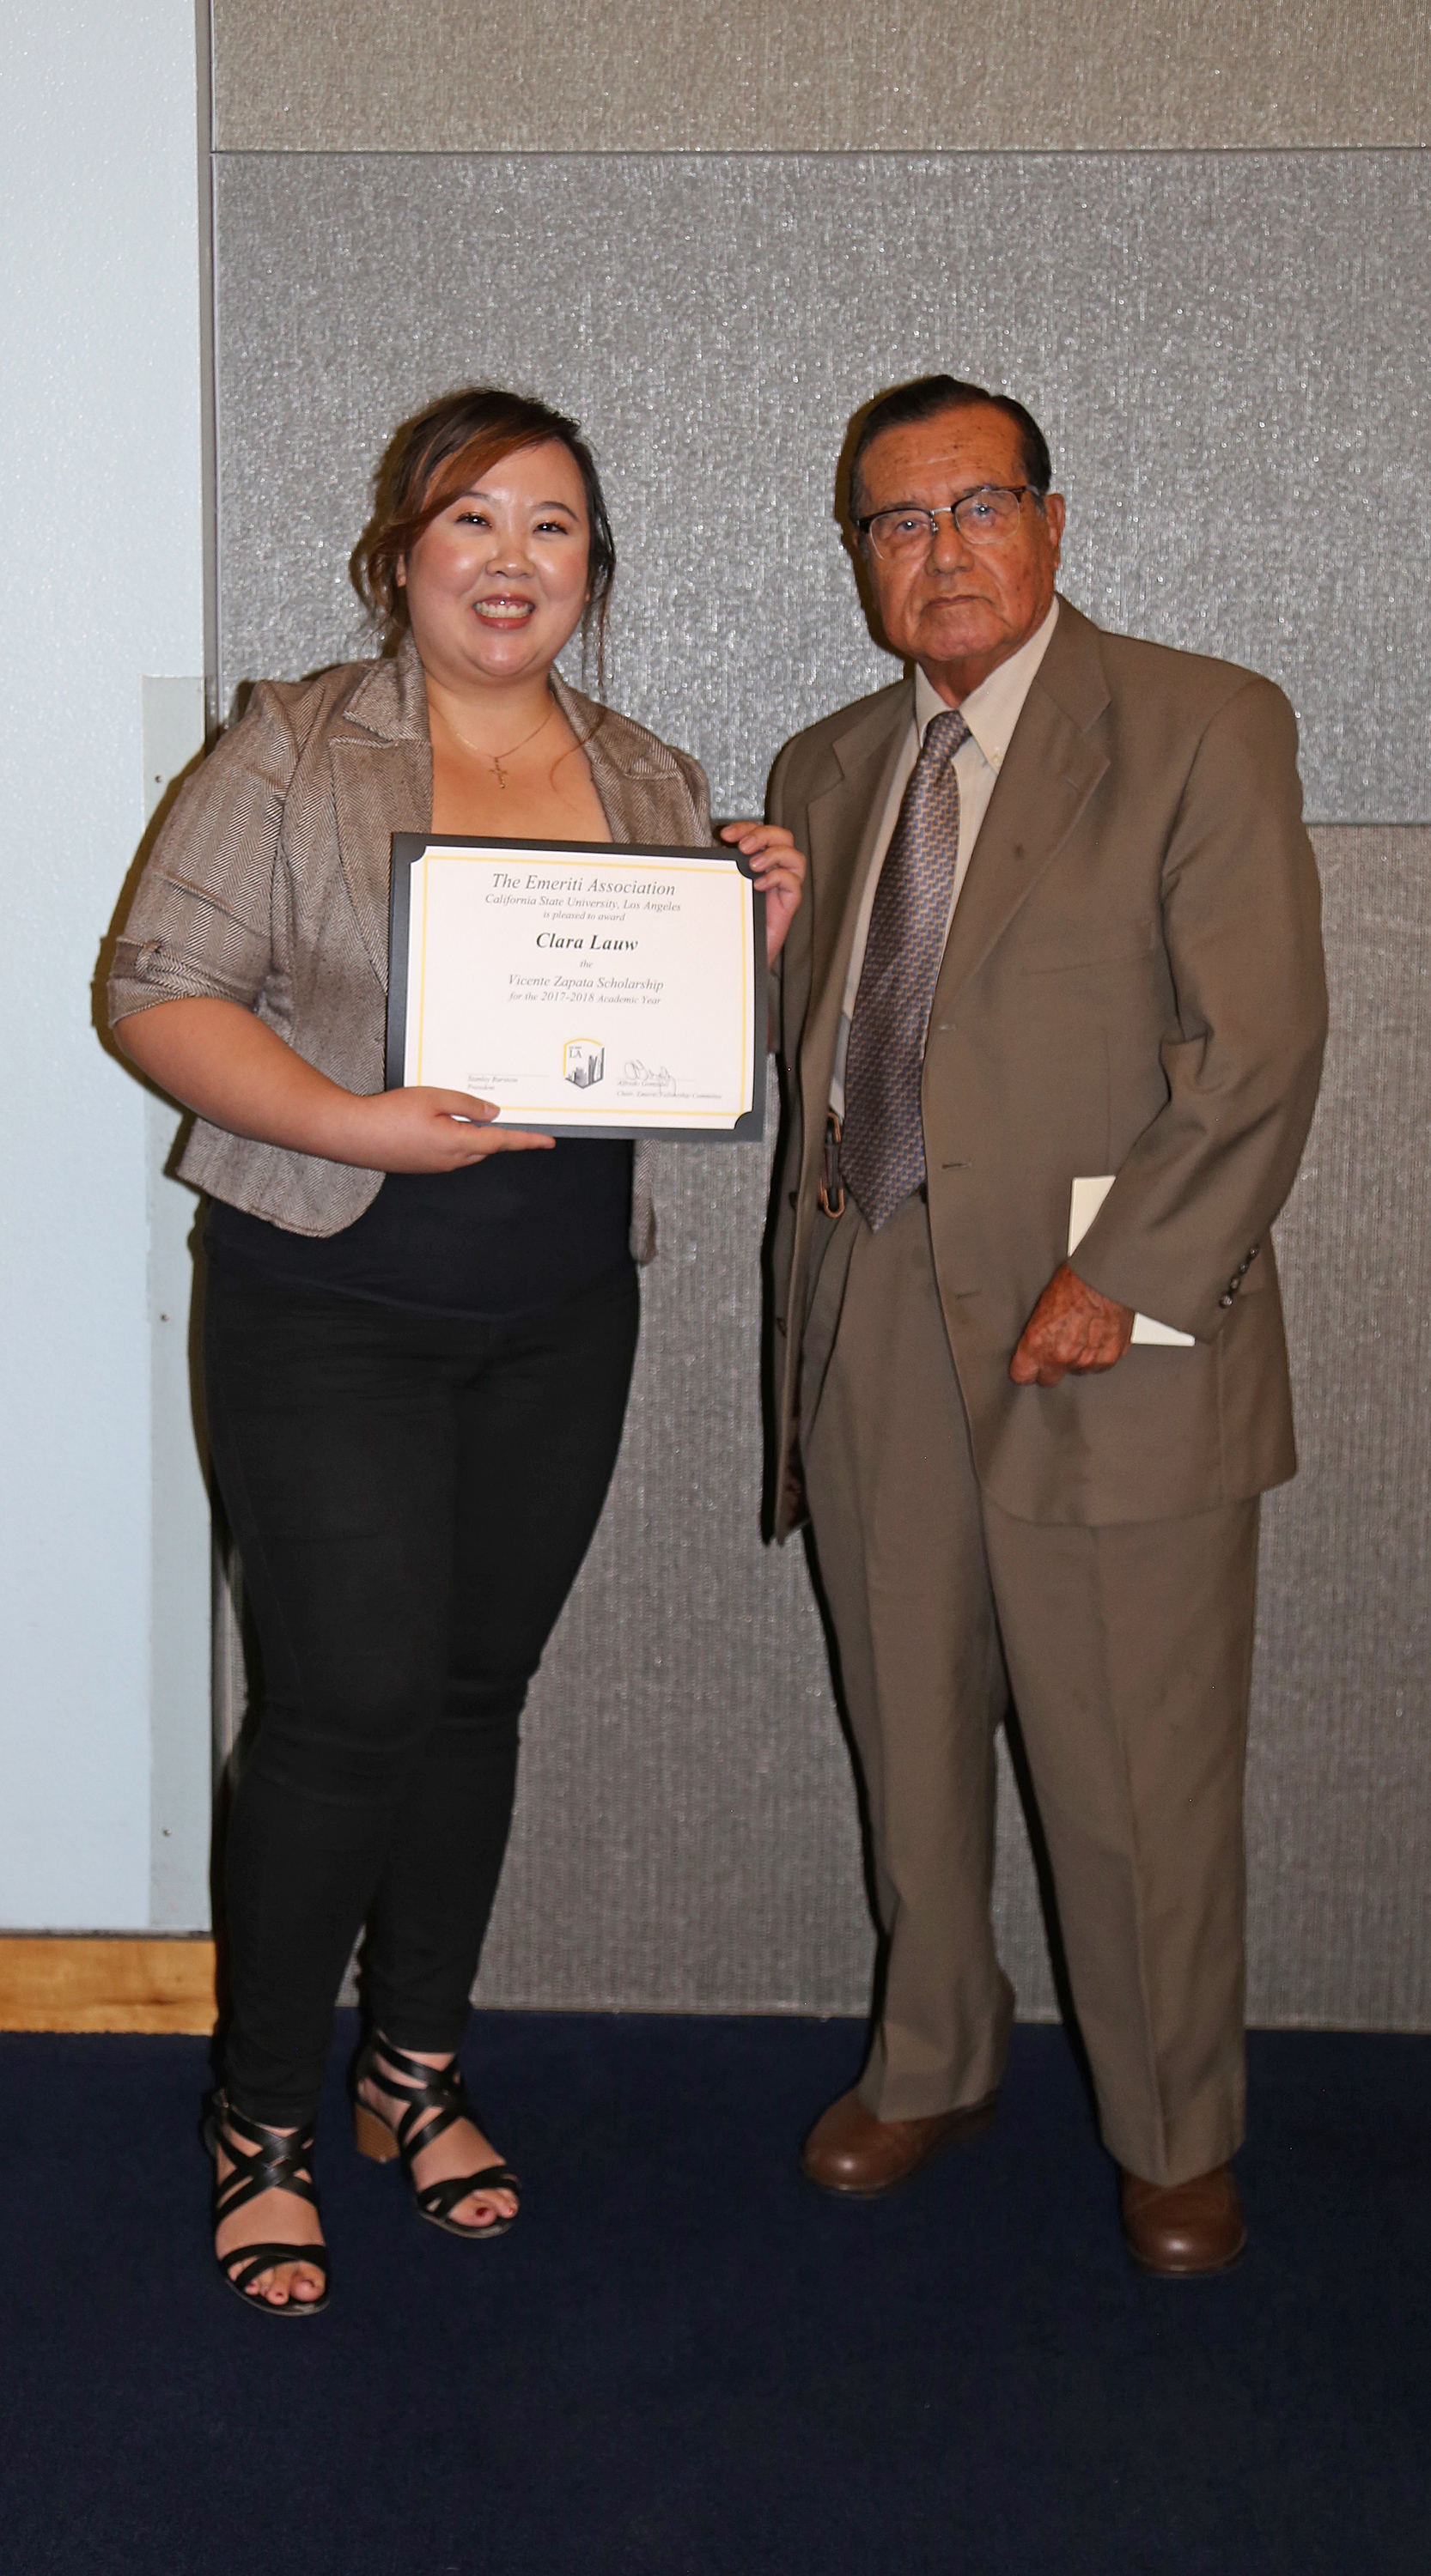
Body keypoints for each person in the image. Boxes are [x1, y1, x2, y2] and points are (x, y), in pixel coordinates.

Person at [110, 386, 803, 2313]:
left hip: (559, 1312)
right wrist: (356, 1120)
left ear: (593, 568)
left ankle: (415, 2069)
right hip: (324, 1297)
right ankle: (259, 2117)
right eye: (470, 520)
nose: (510, 561)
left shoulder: (656, 778)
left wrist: (757, 934)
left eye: (553, 528)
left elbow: (677, 1062)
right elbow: (153, 990)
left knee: (475, 1694)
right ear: (399, 552)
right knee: (340, 1708)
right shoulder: (288, 751)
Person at [764, 373, 1326, 2273]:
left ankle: (1173, 2126)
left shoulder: (1194, 723)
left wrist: (1127, 1279)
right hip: (869, 1329)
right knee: (903, 1733)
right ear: (857, 560)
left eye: (974, 508)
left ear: (1052, 522)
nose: (939, 553)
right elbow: (838, 1055)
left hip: (1105, 1334)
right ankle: (931, 2056)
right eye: (894, 524)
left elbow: (1257, 1056)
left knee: (1134, 1765)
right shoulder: (828, 769)